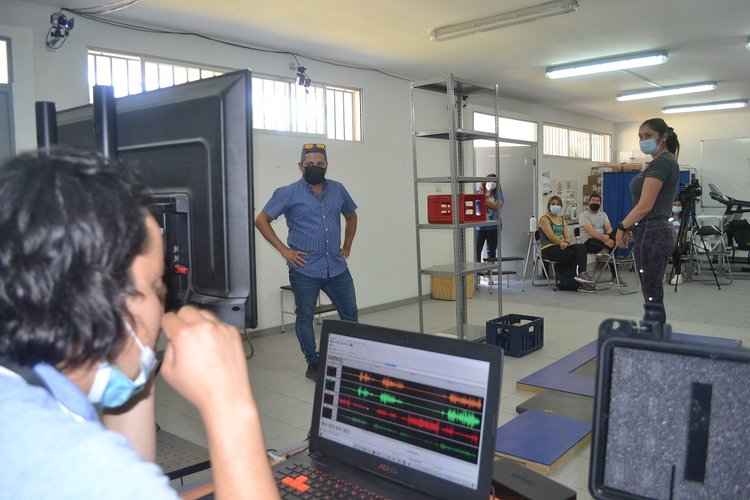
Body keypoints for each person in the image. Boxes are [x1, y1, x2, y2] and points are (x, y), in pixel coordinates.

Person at [0, 147, 278, 498]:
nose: (162, 307)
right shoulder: (70, 464)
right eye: (154, 286)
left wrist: (135, 360)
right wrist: (230, 403)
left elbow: (128, 473)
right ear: (96, 302)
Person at [255, 143, 358, 381]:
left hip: (337, 267)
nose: (315, 168)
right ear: (301, 166)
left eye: (319, 165)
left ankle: (350, 360)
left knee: (350, 317)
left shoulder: (338, 189)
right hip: (305, 270)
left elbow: (351, 217)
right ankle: (314, 363)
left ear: (326, 166)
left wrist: (347, 246)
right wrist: (284, 251)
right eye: (309, 164)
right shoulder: (288, 192)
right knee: (305, 317)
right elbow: (261, 220)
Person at [616, 118, 680, 325]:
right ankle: (655, 336)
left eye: (648, 136)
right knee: (652, 292)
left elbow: (645, 206)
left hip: (653, 231)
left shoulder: (662, 163)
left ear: (663, 137)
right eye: (640, 137)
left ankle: (656, 338)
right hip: (653, 230)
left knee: (652, 294)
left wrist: (622, 226)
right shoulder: (661, 162)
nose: (643, 140)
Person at [538, 195, 596, 293]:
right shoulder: (544, 219)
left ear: (561, 206)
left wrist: (566, 242)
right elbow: (551, 236)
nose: (555, 206)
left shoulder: (562, 220)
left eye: (557, 204)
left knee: (581, 247)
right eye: (553, 204)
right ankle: (581, 282)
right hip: (549, 248)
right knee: (577, 255)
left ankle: (582, 274)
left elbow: (567, 236)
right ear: (549, 206)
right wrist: (561, 242)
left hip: (561, 246)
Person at [578, 193, 625, 286]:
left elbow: (609, 228)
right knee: (612, 247)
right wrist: (606, 240)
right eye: (593, 201)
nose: (595, 202)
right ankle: (615, 276)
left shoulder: (603, 214)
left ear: (600, 203)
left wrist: (608, 235)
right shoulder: (584, 215)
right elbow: (590, 231)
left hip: (603, 240)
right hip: (589, 242)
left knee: (617, 230)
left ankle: (606, 250)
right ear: (589, 202)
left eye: (597, 201)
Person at [475, 173, 505, 266]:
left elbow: (497, 206)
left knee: (491, 252)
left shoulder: (498, 194)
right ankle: (477, 274)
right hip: (479, 227)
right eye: (490, 181)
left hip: (493, 227)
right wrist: (483, 198)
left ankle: (489, 274)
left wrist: (483, 199)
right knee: (477, 251)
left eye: (494, 182)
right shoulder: (477, 192)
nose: (491, 183)